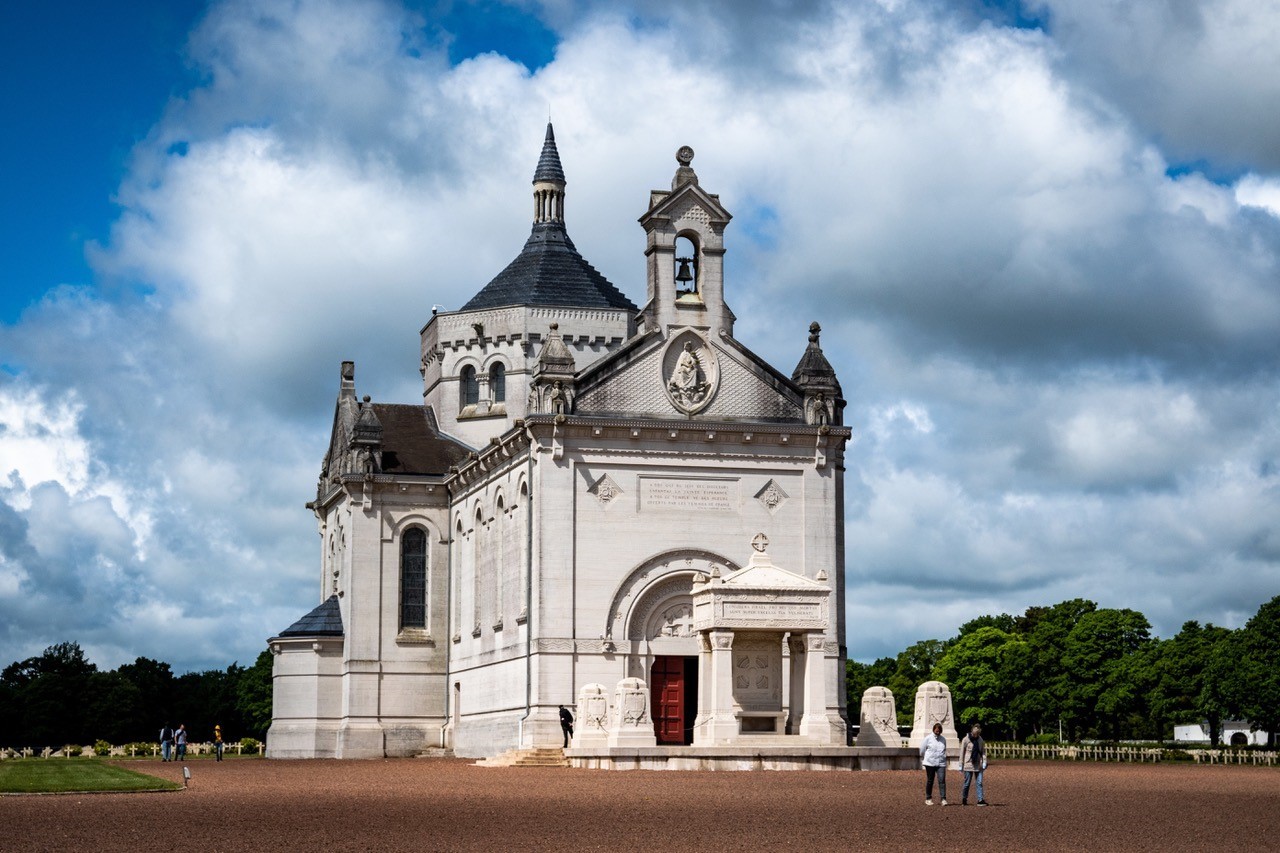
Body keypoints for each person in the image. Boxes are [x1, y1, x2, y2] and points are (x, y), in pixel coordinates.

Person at [919, 721, 949, 806]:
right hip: (930, 763)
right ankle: (928, 798)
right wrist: (926, 758)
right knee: (930, 781)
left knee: (942, 780)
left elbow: (944, 749)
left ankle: (943, 799)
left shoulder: (943, 739)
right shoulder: (928, 738)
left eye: (939, 731)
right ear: (933, 730)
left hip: (941, 763)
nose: (937, 732)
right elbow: (922, 749)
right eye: (936, 731)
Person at [960, 723, 988, 806]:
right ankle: (964, 798)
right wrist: (960, 764)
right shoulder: (965, 739)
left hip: (978, 763)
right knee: (967, 783)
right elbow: (962, 752)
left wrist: (984, 761)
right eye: (975, 734)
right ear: (972, 732)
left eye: (978, 734)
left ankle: (980, 799)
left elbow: (983, 751)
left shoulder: (980, 740)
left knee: (979, 782)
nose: (976, 736)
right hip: (968, 763)